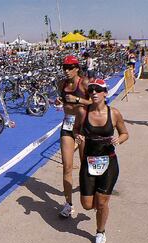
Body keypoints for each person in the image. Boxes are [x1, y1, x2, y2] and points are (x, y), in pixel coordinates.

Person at [73, 79, 129, 243]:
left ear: (105, 93)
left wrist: (118, 139)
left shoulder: (114, 114)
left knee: (102, 203)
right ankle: (99, 207)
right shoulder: (83, 112)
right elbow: (75, 129)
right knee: (87, 205)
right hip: (89, 162)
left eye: (98, 89)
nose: (94, 93)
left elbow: (125, 133)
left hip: (109, 162)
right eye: (91, 90)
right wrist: (77, 135)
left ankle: (100, 232)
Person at [56, 55, 91, 218]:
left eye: (70, 67)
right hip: (68, 125)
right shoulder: (61, 84)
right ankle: (68, 204)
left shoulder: (84, 82)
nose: (67, 70)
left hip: (83, 126)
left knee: (86, 165)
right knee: (67, 166)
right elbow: (63, 101)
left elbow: (96, 102)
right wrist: (59, 101)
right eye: (65, 67)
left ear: (77, 68)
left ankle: (91, 195)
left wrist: (77, 99)